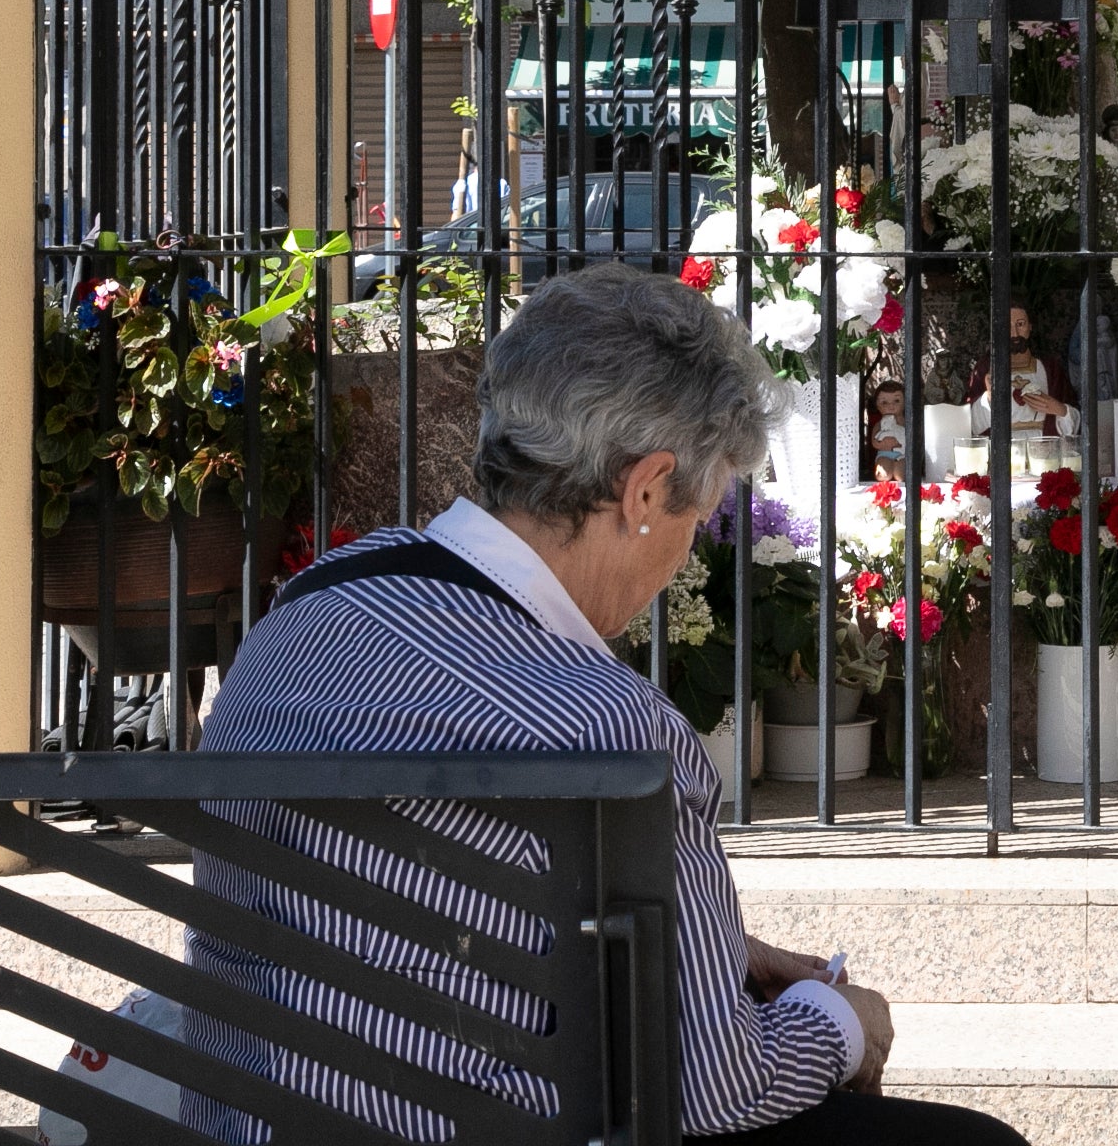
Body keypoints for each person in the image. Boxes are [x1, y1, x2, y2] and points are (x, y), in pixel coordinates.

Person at [185, 265, 1027, 1146]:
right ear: (646, 490)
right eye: (695, 515)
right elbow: (714, 1088)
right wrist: (845, 1017)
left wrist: (709, 955)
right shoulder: (603, 726)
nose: (681, 553)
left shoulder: (301, 614)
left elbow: (387, 913)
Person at [959, 302, 1076, 443]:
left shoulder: (1050, 368)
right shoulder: (985, 369)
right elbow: (970, 424)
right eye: (1008, 326)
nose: (1014, 333)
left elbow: (1076, 420)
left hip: (1044, 450)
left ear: (1030, 327)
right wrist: (989, 397)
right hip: (1001, 450)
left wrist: (1060, 410)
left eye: (1020, 324)